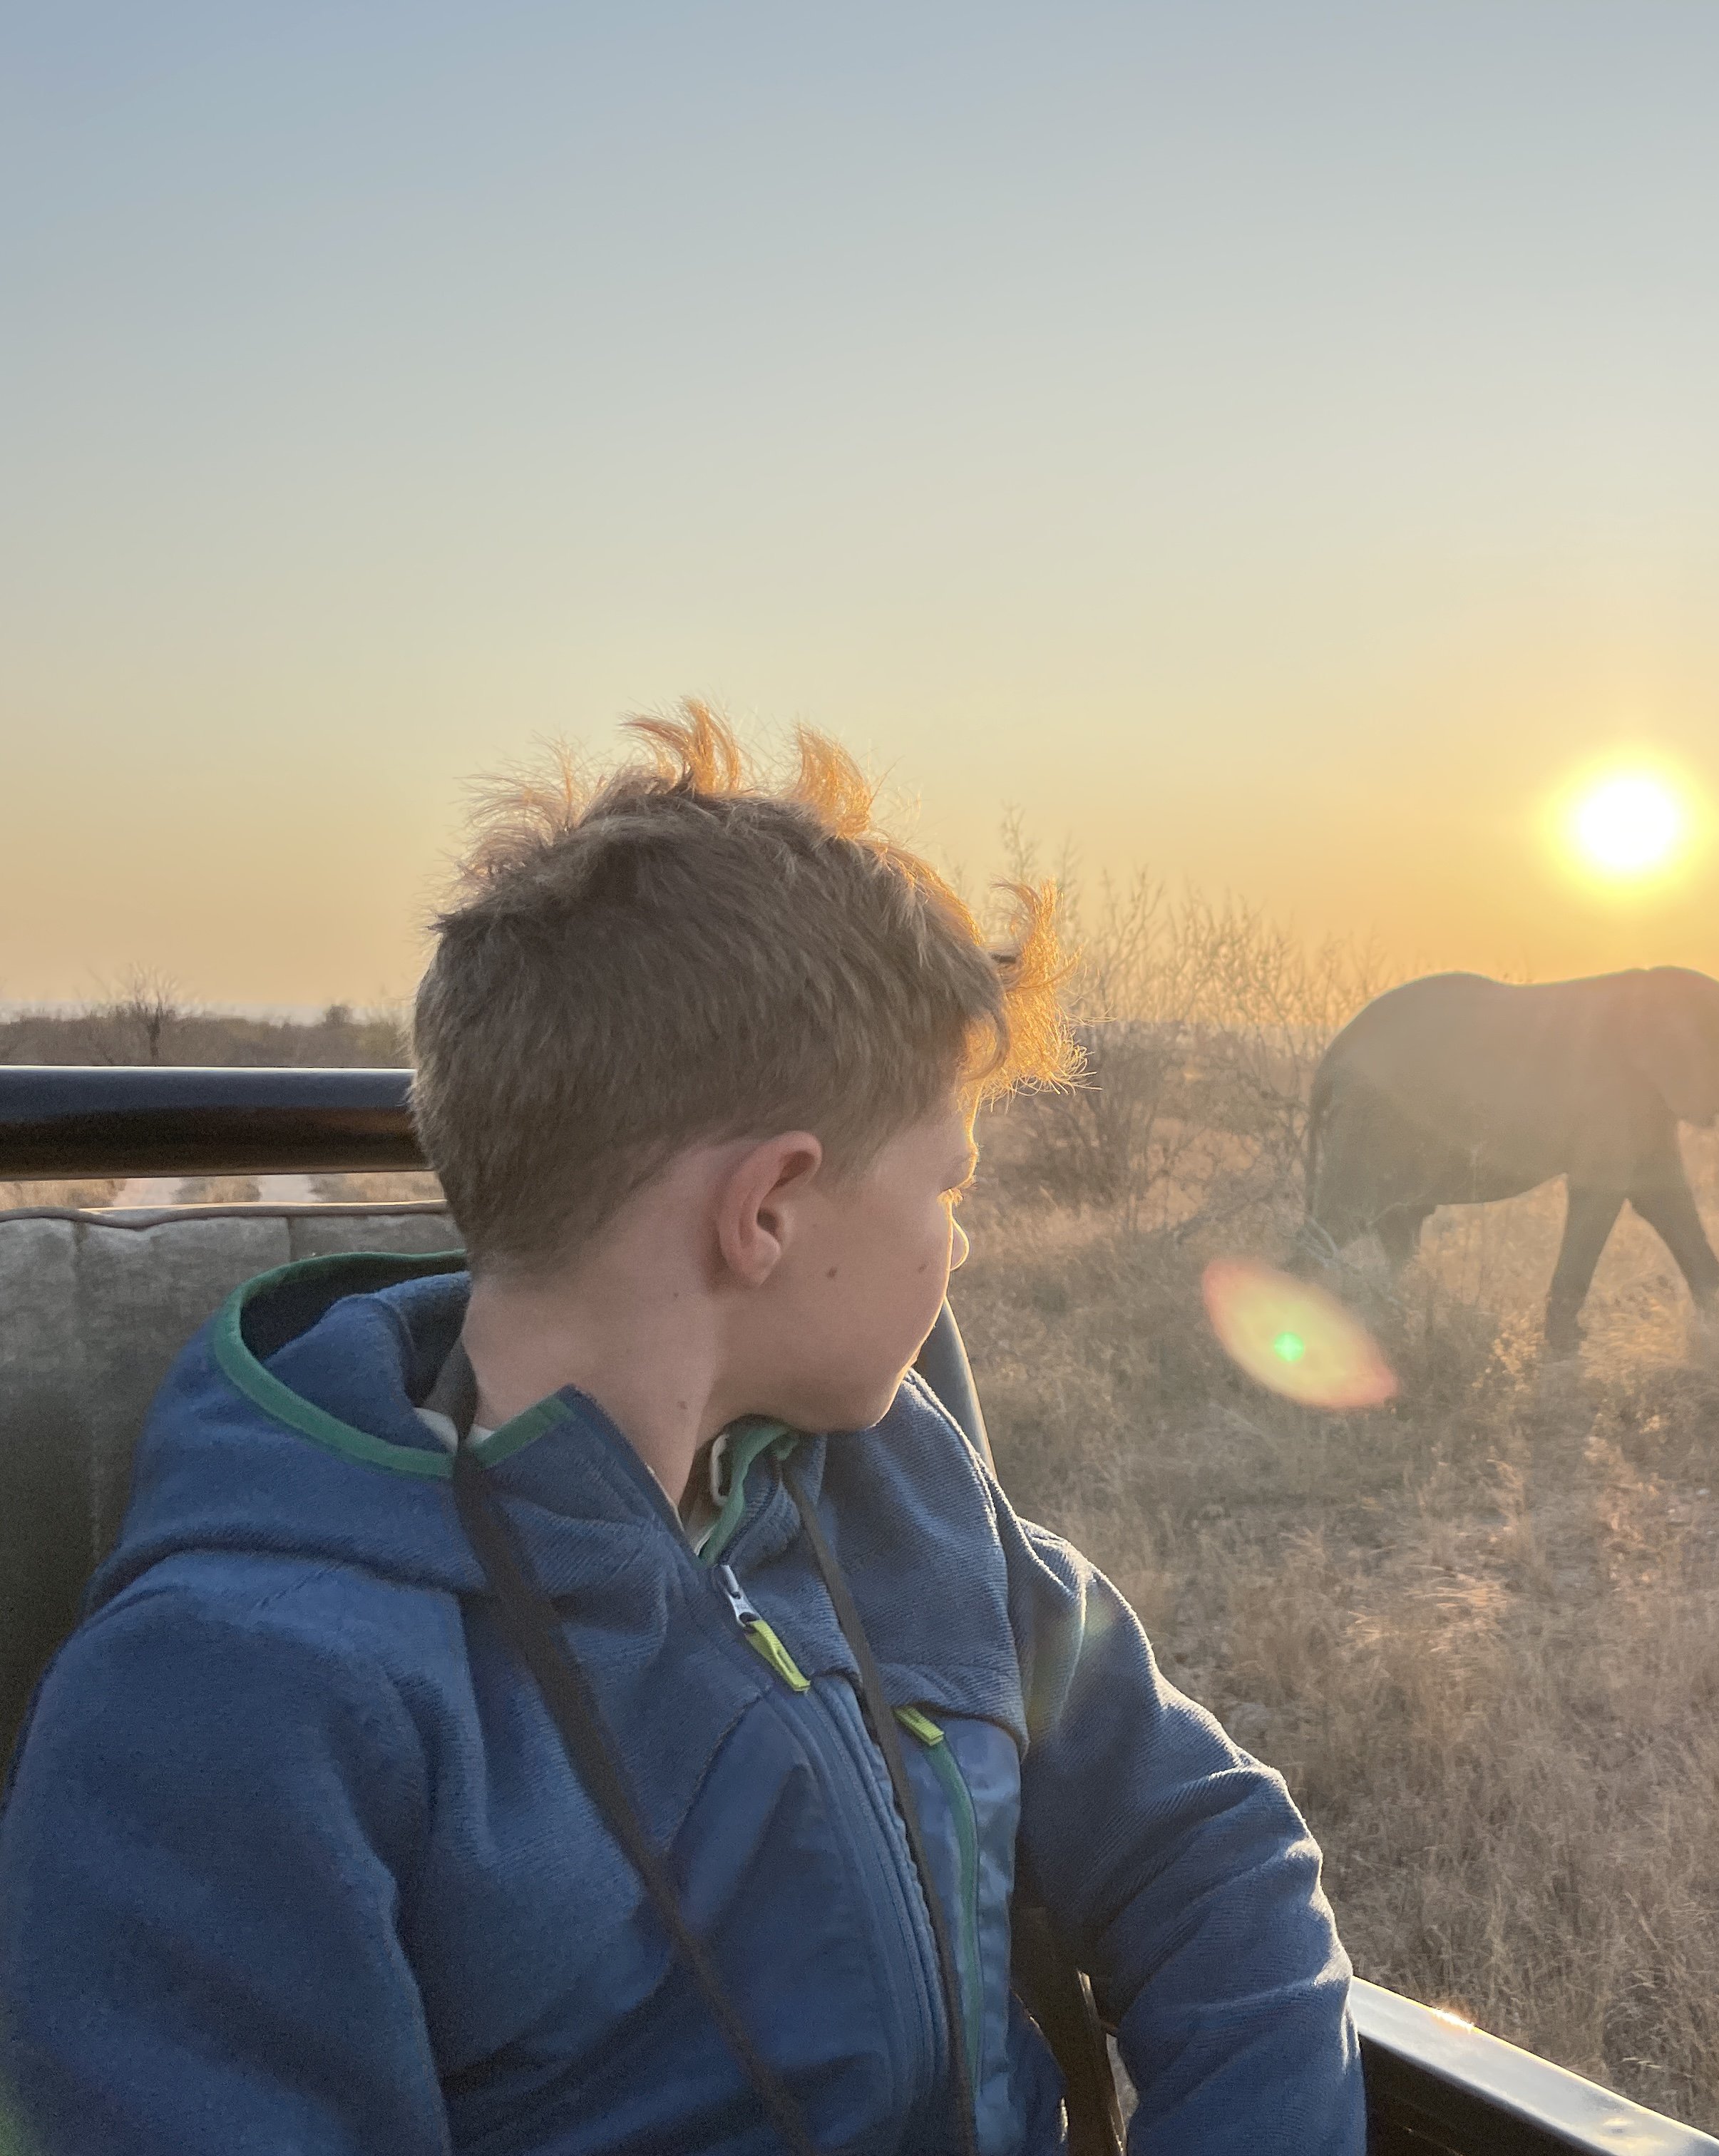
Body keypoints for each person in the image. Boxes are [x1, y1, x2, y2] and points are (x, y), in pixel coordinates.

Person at [0, 708, 1367, 2155]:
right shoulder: (231, 1704)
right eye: (950, 1188)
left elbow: (1214, 1854)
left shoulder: (896, 1485)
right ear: (767, 1209)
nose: (956, 1251)